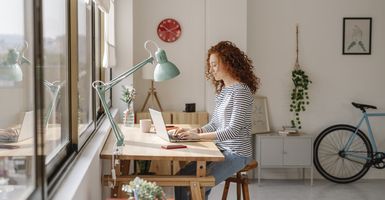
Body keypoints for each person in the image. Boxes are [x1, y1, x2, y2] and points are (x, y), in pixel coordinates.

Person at [174, 41, 260, 200]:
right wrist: (194, 132)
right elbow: (214, 124)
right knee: (181, 177)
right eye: (210, 65)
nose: (211, 70)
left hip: (237, 154)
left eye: (214, 65)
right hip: (220, 150)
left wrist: (198, 137)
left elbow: (232, 130)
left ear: (228, 63)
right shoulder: (224, 91)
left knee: (198, 184)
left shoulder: (241, 91)